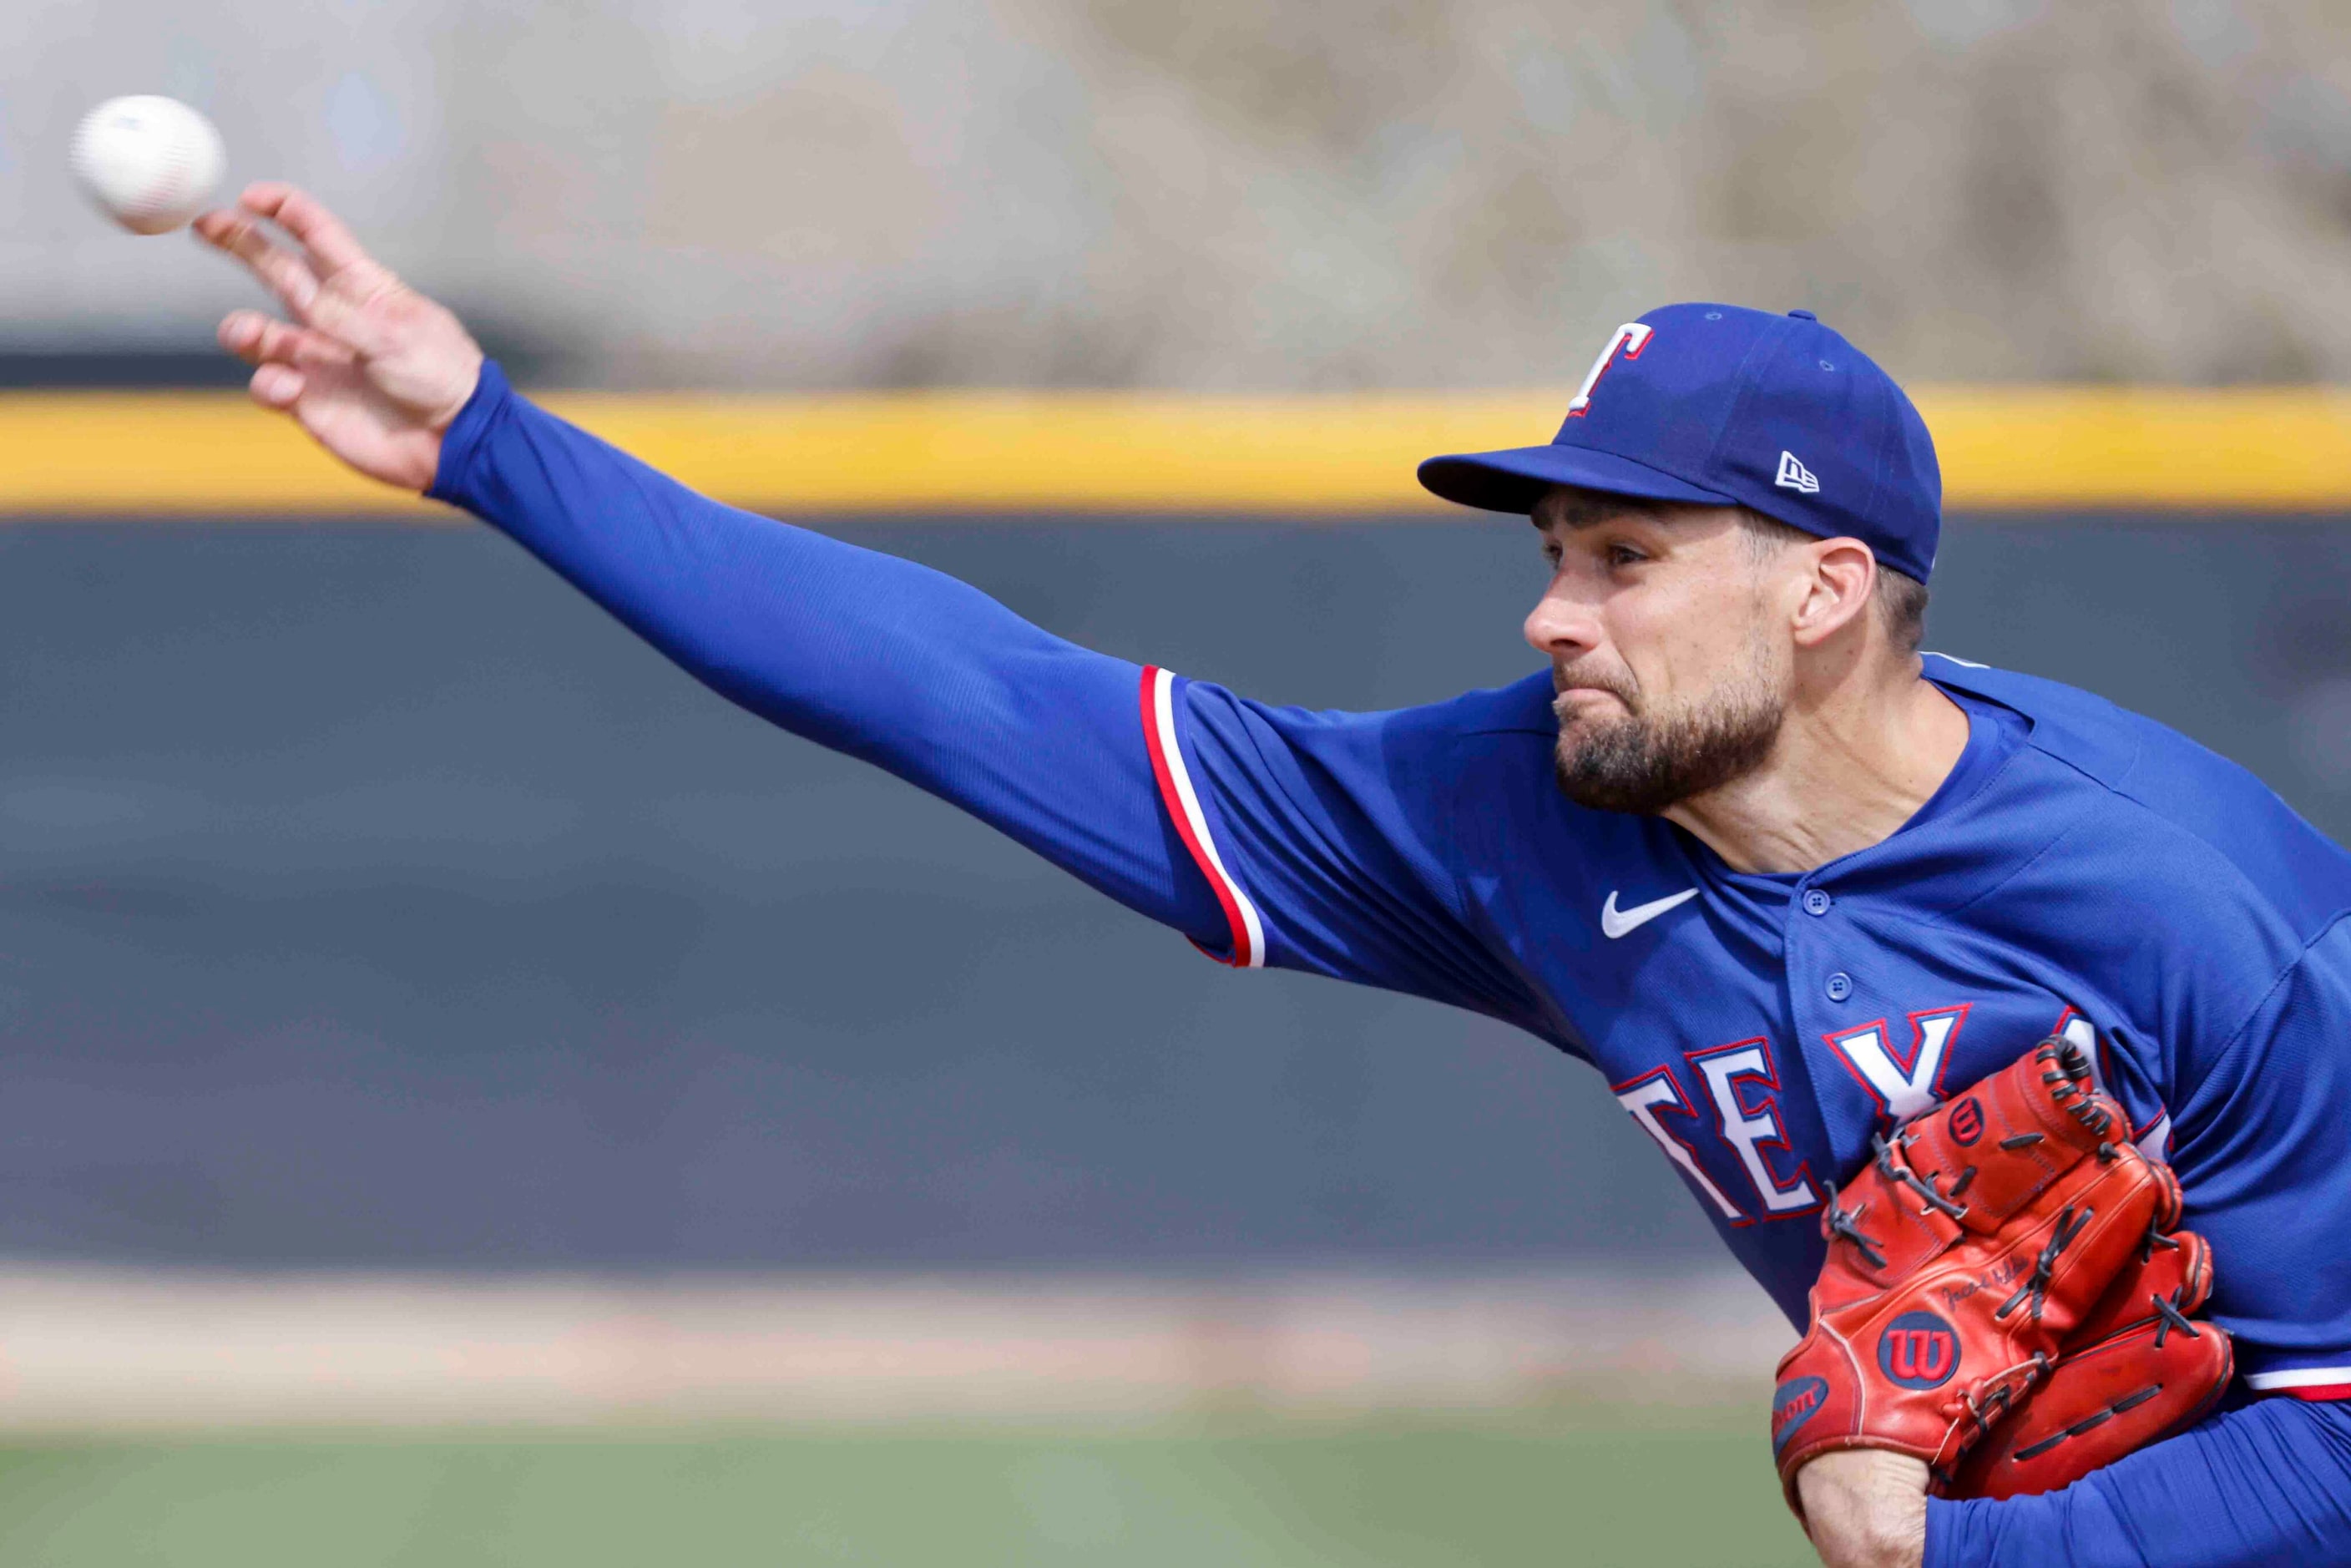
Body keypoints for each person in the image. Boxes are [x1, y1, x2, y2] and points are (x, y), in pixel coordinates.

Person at [195, 183, 2351, 1568]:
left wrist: (1957, 1559)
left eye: (1623, 559)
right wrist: (493, 438)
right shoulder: (1520, 806)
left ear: (1824, 592)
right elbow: (965, 692)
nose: (1552, 617)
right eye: (1549, 556)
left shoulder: (2192, 902)